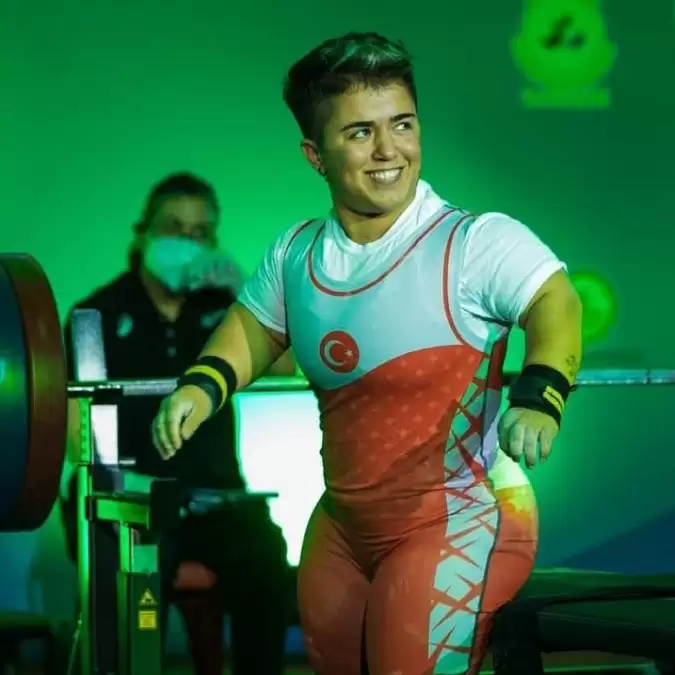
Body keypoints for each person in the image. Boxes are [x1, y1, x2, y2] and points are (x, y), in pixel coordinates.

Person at [151, 33, 583, 675]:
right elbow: (253, 328)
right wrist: (202, 385)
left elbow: (555, 302)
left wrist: (542, 394)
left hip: (458, 518)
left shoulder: (475, 242)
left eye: (402, 124)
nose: (389, 150)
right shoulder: (295, 254)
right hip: (342, 531)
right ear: (315, 155)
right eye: (360, 132)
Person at [60, 172, 291, 675]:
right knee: (135, 573)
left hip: (217, 502)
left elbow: (287, 365)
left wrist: (247, 293)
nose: (186, 241)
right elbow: (75, 437)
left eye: (199, 232)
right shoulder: (98, 314)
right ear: (142, 233)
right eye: (173, 227)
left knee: (267, 561)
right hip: (130, 502)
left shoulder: (226, 311)